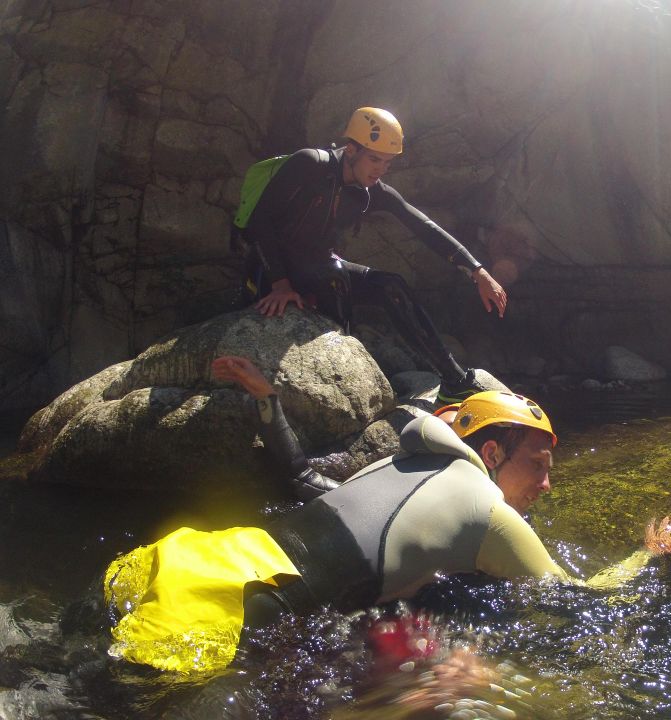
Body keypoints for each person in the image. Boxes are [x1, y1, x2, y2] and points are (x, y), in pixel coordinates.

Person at [102, 356, 568, 672]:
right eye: (537, 467)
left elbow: (303, 476)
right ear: (491, 452)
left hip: (195, 554)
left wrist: (268, 399)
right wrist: (643, 557)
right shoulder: (486, 509)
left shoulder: (398, 463)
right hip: (240, 609)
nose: (545, 486)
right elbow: (579, 599)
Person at [238, 106, 506, 403]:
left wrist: (477, 270)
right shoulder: (309, 164)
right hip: (270, 269)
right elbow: (259, 221)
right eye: (374, 159)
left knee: (391, 285)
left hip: (318, 269)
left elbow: (423, 225)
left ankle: (455, 381)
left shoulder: (370, 190)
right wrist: (280, 283)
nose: (379, 169)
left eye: (387, 163)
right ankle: (339, 368)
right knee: (334, 276)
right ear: (352, 149)